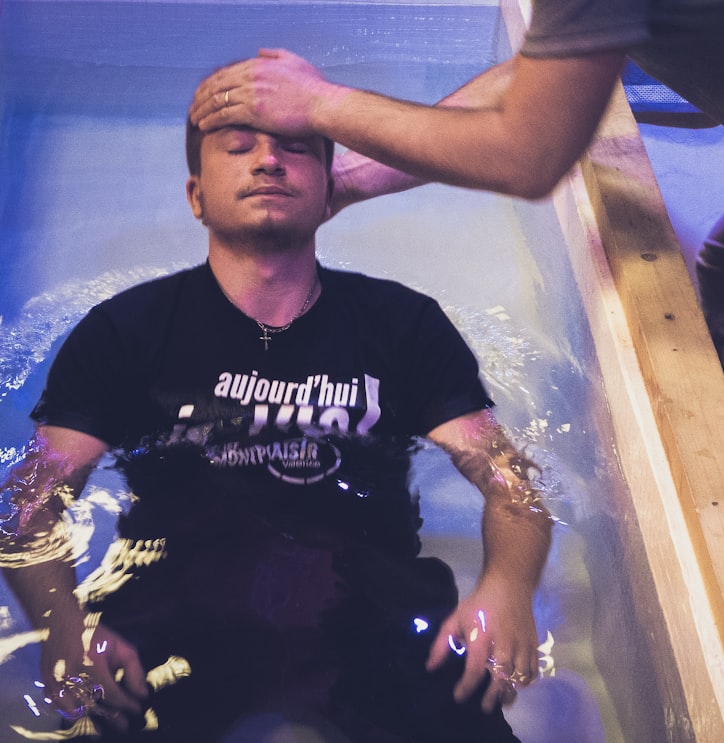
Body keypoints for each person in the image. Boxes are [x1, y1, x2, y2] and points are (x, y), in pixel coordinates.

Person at [186, 2, 724, 742]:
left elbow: (529, 151)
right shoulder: (141, 337)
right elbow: (540, 76)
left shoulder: (404, 334)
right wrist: (354, 179)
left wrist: (320, 105)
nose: (265, 163)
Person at [0, 65, 553, 743]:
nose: (267, 159)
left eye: (296, 147)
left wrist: (508, 587)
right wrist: (61, 626)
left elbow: (509, 479)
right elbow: (32, 499)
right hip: (178, 613)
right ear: (195, 195)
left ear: (331, 191)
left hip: (370, 607)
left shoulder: (403, 323)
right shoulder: (123, 332)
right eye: (237, 147)